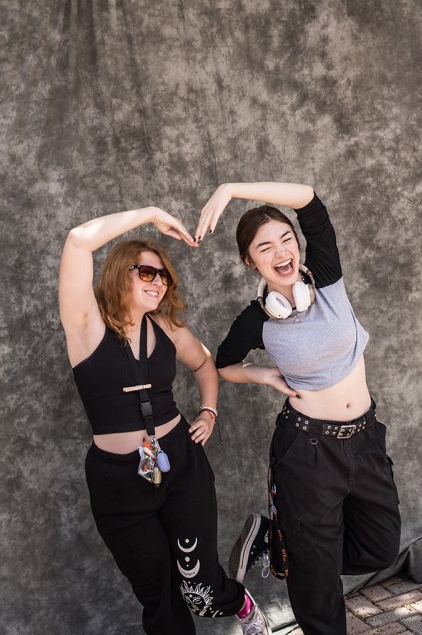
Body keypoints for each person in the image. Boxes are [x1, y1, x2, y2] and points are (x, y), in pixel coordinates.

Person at [195, 182, 402, 634]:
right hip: (307, 451)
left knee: (381, 547)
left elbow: (309, 200)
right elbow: (225, 364)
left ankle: (278, 542)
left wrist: (231, 190)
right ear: (250, 261)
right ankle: (303, 558)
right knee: (316, 582)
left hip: (364, 439)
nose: (281, 252)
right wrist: (265, 376)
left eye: (286, 239)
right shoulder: (256, 319)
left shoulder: (326, 277)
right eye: (265, 247)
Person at [58, 205, 270, 635]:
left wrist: (209, 411)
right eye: (147, 273)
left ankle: (241, 604)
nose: (159, 282)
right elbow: (78, 241)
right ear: (120, 274)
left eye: (164, 276)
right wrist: (152, 215)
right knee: (159, 595)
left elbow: (205, 364)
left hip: (179, 463)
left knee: (198, 587)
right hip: (118, 480)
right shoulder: (86, 327)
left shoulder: (166, 328)